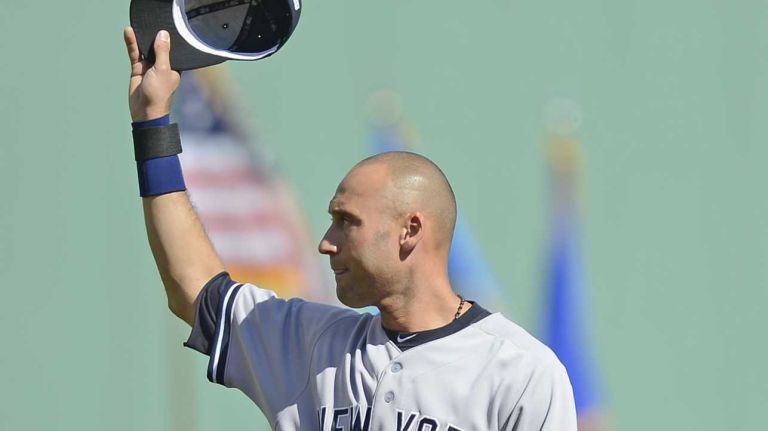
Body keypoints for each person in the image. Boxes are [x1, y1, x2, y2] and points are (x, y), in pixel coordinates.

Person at [124, 27, 577, 431]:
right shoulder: (313, 343)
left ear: (410, 230)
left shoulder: (521, 372)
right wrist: (151, 124)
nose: (326, 242)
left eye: (346, 222)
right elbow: (192, 288)